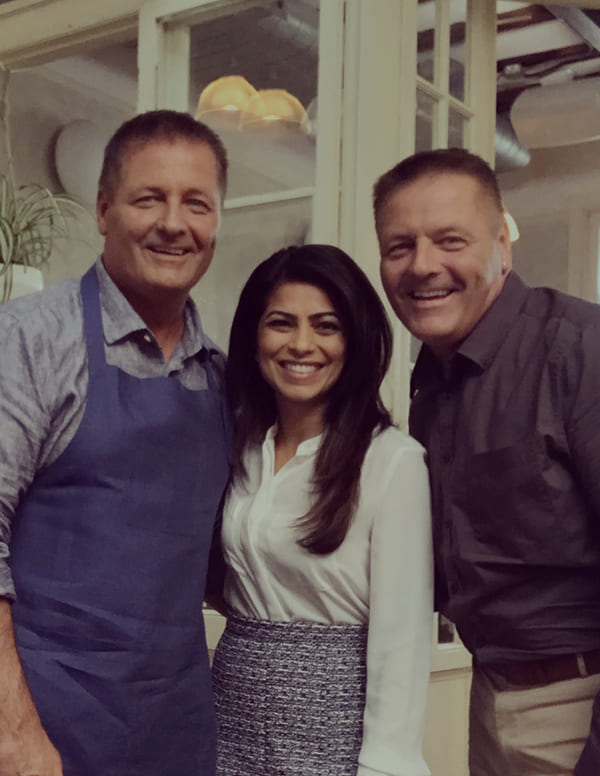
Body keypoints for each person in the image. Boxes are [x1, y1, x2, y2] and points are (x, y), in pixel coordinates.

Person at [0, 110, 232, 776]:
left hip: (178, 731)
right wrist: (15, 737)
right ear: (104, 211)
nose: (174, 223)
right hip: (45, 729)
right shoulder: (29, 340)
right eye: (149, 199)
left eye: (196, 204)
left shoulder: (222, 376)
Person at [373, 146, 600, 776]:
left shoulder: (579, 351)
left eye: (451, 240)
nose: (423, 265)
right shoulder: (432, 383)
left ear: (503, 244)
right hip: (491, 698)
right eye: (399, 246)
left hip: (580, 708)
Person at [211, 244, 433, 776]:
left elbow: (402, 640)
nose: (301, 344)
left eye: (326, 326)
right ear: (254, 338)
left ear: (353, 342)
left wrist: (385, 765)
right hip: (230, 710)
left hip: (335, 720)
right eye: (281, 323)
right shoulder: (238, 446)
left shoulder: (391, 461)